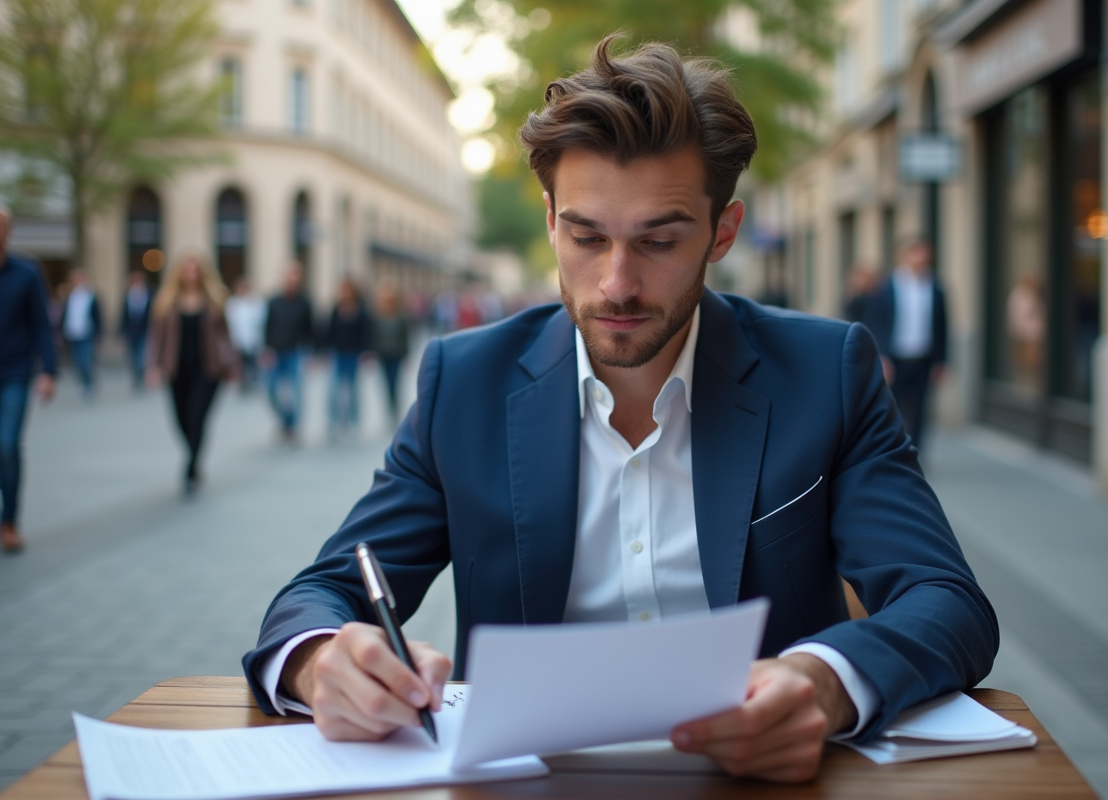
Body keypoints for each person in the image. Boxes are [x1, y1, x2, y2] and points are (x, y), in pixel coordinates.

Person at [243, 38, 996, 784]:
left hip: (763, 784)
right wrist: (317, 662)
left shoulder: (824, 373)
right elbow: (326, 590)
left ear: (721, 233)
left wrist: (827, 683)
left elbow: (946, 600)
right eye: (586, 236)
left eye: (659, 240)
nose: (617, 284)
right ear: (549, 222)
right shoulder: (463, 383)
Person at [147, 252, 236, 496]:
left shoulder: (215, 300)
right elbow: (156, 338)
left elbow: (226, 337)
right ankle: (193, 457)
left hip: (208, 370)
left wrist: (233, 365)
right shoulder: (166, 301)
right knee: (181, 421)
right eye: (186, 269)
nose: (191, 274)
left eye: (195, 269)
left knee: (197, 418)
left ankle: (190, 470)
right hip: (176, 370)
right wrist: (153, 366)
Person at [0, 205, 57, 553]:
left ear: (8, 232)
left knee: (7, 445)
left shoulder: (27, 272)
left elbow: (41, 324)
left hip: (16, 372)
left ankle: (10, 520)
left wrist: (49, 371)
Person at [862, 238, 948, 452]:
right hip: (894, 358)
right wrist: (880, 356)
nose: (921, 258)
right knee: (893, 407)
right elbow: (874, 323)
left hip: (923, 358)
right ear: (904, 256)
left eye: (924, 253)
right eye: (915, 253)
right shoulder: (886, 287)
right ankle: (894, 450)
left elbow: (942, 327)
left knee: (920, 409)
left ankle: (915, 452)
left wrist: (941, 361)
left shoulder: (935, 288)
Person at [263, 262, 314, 443]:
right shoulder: (274, 301)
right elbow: (268, 325)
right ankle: (286, 420)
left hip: (296, 352)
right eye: (289, 276)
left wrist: (311, 353)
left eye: (296, 277)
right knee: (270, 390)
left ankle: (292, 427)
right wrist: (266, 349)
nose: (292, 280)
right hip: (276, 351)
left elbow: (310, 329)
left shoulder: (304, 302)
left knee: (296, 392)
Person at [323, 279, 370, 436]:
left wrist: (365, 352)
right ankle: (334, 422)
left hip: (354, 354)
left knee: (353, 390)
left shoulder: (360, 309)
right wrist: (324, 351)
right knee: (334, 390)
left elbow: (365, 332)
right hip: (337, 353)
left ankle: (353, 422)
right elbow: (329, 330)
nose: (345, 293)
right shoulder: (337, 308)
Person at [370, 281, 410, 424]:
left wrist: (407, 355)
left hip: (396, 353)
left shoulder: (400, 316)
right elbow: (372, 336)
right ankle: (388, 409)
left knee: (394, 382)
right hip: (382, 353)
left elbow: (405, 337)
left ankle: (394, 409)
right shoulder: (376, 316)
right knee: (385, 383)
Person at [61, 269, 104, 400]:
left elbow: (98, 316)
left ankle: (88, 383)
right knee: (77, 362)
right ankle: (83, 383)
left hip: (87, 333)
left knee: (86, 361)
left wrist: (99, 334)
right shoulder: (70, 295)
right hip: (73, 333)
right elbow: (66, 314)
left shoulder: (91, 295)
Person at [225, 277, 267, 394]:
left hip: (253, 340)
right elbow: (231, 323)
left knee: (253, 364)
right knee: (241, 364)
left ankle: (253, 383)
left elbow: (261, 321)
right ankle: (243, 385)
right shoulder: (232, 303)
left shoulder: (255, 302)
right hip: (238, 340)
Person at [120, 271, 154, 390]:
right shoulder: (128, 296)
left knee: (141, 356)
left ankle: (140, 376)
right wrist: (122, 331)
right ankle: (136, 376)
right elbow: (124, 315)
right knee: (132, 357)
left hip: (144, 331)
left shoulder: (149, 294)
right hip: (131, 332)